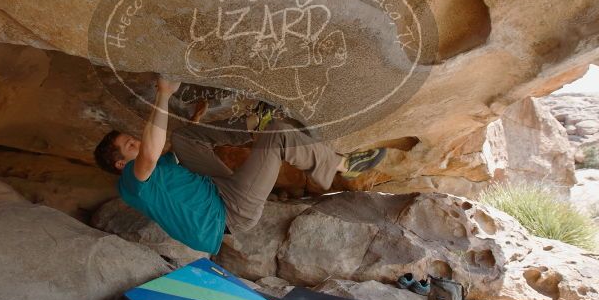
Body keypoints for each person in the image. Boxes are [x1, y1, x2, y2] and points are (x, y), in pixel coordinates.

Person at [93, 76, 386, 255]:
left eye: (134, 139)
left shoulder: (155, 172)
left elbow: (179, 147)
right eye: (130, 145)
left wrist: (196, 115)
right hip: (229, 213)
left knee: (183, 137)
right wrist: (164, 94)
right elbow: (151, 154)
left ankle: (254, 124)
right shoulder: (131, 182)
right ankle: (342, 165)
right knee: (279, 134)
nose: (138, 142)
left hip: (216, 190)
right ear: (120, 163)